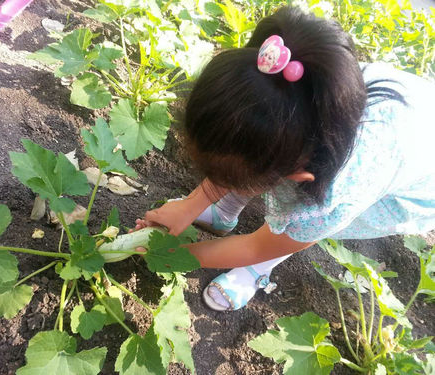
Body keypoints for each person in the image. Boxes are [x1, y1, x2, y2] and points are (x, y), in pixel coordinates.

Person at [134, 6, 435, 311]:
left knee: (295, 229)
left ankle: (258, 270)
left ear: (297, 175)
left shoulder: (334, 198)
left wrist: (179, 255)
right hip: (407, 111)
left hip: (412, 186)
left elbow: (256, 246)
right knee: (251, 154)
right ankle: (224, 213)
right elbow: (243, 144)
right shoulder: (293, 91)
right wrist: (190, 206)